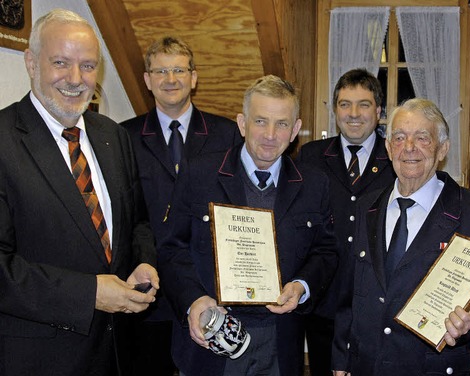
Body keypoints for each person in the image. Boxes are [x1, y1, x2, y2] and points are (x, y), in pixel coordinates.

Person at [0, 9, 158, 376]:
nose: (76, 79)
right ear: (31, 62)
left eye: (88, 66)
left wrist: (144, 263)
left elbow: (138, 223)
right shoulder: (4, 140)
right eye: (61, 62)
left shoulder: (113, 135)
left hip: (118, 353)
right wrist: (89, 294)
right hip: (40, 359)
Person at [158, 75, 338, 376]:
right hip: (211, 338)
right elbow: (170, 248)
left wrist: (302, 286)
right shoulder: (198, 174)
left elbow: (326, 251)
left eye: (282, 124)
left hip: (280, 341)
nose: (270, 134)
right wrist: (194, 300)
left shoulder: (315, 184)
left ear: (295, 130)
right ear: (242, 124)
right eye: (260, 121)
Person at [332, 98, 470, 375]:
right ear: (388, 148)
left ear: (442, 149)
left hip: (429, 366)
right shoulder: (366, 206)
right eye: (399, 137)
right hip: (366, 365)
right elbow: (349, 290)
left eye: (422, 138)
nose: (409, 147)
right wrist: (341, 359)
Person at [121, 36, 242, 376]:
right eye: (160, 71)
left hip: (208, 290)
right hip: (148, 293)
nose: (170, 79)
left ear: (194, 77)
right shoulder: (122, 137)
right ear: (147, 80)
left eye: (178, 69)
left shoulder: (227, 135)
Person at [296, 68, 395, 375]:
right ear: (334, 109)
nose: (354, 114)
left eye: (363, 104)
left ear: (378, 112)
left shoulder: (395, 159)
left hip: (376, 302)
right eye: (344, 104)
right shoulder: (309, 157)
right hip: (323, 299)